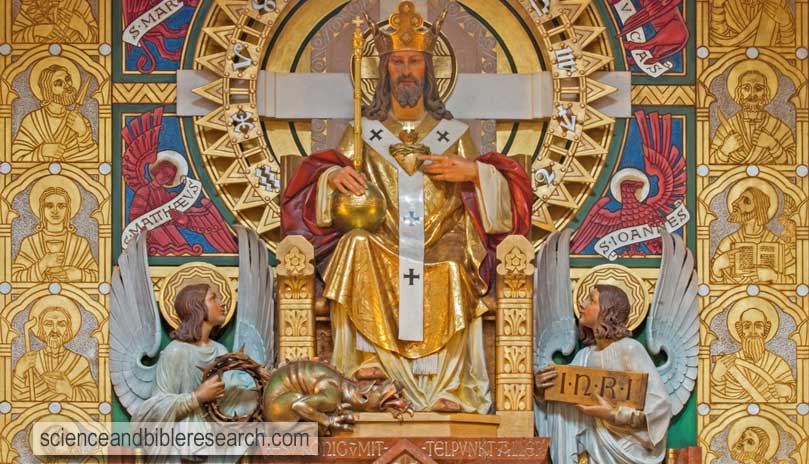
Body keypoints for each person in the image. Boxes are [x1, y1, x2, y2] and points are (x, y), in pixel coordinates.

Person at [281, 1, 531, 413]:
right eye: (398, 62)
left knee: (453, 271)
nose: (407, 70)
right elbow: (322, 182)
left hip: (442, 241)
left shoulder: (454, 133)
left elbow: (498, 195)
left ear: (429, 70)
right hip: (382, 241)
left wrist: (473, 173)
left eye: (415, 61)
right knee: (353, 247)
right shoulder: (364, 132)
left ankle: (450, 390)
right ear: (386, 70)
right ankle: (364, 368)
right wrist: (332, 179)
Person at [534, 285, 672, 464]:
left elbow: (660, 407)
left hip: (628, 449)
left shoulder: (629, 349)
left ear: (608, 311)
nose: (582, 305)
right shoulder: (584, 356)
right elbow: (561, 410)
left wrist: (614, 414)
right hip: (593, 448)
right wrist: (540, 390)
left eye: (591, 300)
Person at [131, 283, 256, 460]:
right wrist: (197, 397)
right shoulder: (176, 352)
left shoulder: (220, 352)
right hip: (183, 440)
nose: (222, 303)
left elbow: (232, 398)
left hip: (216, 438)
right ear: (197, 308)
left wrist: (260, 382)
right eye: (213, 298)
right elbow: (156, 408)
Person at [13, 177, 98, 282]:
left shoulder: (80, 243)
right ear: (42, 210)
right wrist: (43, 264)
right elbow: (15, 277)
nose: (55, 211)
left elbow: (99, 276)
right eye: (49, 206)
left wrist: (79, 274)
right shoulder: (30, 242)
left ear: (68, 210)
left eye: (61, 206)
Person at [13, 296, 97, 401]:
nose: (54, 330)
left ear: (68, 329)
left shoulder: (79, 361)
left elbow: (93, 397)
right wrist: (19, 371)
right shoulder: (30, 360)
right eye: (48, 324)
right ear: (40, 328)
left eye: (61, 324)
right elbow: (16, 398)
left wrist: (69, 390)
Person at [710, 64, 795, 164]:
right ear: (739, 92)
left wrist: (772, 144)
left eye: (758, 88)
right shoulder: (728, 126)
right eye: (746, 88)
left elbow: (794, 161)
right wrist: (725, 150)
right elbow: (710, 162)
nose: (752, 94)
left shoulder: (778, 127)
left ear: (765, 93)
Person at [12, 62, 97, 162]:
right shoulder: (33, 120)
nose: (67, 85)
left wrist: (83, 133)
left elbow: (94, 159)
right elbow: (16, 159)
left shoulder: (79, 120)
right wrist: (42, 151)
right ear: (47, 90)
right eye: (58, 83)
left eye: (68, 79)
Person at [712, 302, 796, 402]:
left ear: (765, 330)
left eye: (758, 326)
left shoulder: (778, 364)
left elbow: (799, 396)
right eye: (747, 326)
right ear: (740, 330)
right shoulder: (726, 363)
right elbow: (714, 399)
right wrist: (715, 376)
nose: (753, 331)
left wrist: (788, 391)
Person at [711, 183, 795, 283]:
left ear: (759, 209)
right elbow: (709, 288)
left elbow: (796, 281)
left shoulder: (779, 244)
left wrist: (774, 276)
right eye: (739, 198)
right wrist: (717, 266)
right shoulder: (727, 243)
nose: (735, 203)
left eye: (746, 201)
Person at [711, 0, 794, 46]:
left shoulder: (776, 4)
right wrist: (717, 6)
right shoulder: (729, 4)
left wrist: (785, 22)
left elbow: (788, 47)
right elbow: (719, 40)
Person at [12, 0, 98, 42]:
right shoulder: (33, 6)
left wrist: (80, 26)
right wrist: (36, 30)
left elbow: (98, 41)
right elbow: (13, 39)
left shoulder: (79, 4)